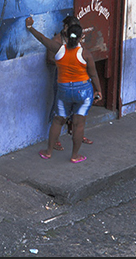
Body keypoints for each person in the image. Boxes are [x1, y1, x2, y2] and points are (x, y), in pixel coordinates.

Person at [26, 15, 102, 163]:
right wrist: (98, 90)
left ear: (66, 35)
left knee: (58, 120)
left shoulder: (59, 49)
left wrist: (30, 27)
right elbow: (93, 74)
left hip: (64, 91)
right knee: (79, 124)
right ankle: (75, 156)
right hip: (84, 92)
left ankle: (48, 152)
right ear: (81, 37)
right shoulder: (86, 54)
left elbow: (42, 39)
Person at [46, 16, 93, 150]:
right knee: (58, 110)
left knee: (77, 110)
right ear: (64, 27)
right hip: (62, 78)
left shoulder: (74, 38)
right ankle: (55, 140)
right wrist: (66, 64)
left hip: (76, 80)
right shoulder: (56, 41)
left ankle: (76, 132)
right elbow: (49, 59)